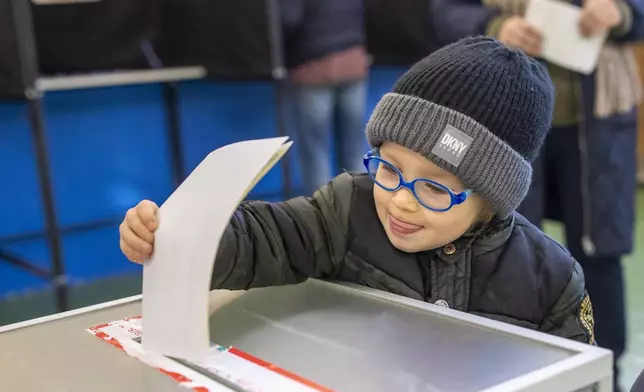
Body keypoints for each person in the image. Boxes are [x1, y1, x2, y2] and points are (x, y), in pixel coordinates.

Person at [119, 37, 595, 346]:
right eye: (389, 168)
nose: (401, 200)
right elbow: (265, 238)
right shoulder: (347, 210)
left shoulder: (550, 280)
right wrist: (180, 234)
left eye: (433, 187)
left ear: (491, 198)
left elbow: (577, 375)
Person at [431, 0, 644, 388]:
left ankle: (606, 374)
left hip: (597, 125)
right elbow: (445, 11)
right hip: (508, 121)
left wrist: (622, 12)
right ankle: (518, 375)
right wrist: (494, 25)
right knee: (507, 251)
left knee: (601, 250)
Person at [280, 0, 369, 196]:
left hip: (313, 67)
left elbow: (289, 19)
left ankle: (323, 219)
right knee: (354, 150)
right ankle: (361, 211)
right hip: (353, 62)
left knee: (316, 154)